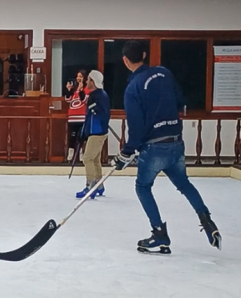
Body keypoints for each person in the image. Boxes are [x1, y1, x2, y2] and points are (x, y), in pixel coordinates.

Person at [113, 41, 221, 254]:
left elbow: (136, 127)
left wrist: (126, 153)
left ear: (125, 61)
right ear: (144, 55)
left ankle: (159, 234)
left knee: (143, 187)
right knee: (184, 184)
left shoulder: (132, 88)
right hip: (175, 142)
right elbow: (180, 100)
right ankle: (206, 220)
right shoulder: (164, 73)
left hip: (154, 147)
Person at [76, 70, 111, 199]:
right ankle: (99, 185)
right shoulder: (95, 95)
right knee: (95, 159)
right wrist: (84, 132)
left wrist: (94, 107)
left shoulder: (99, 96)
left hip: (97, 132)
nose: (86, 81)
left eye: (88, 79)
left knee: (88, 158)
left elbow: (102, 114)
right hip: (94, 131)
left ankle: (90, 185)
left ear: (93, 81)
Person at [65, 70, 88, 161]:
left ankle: (81, 155)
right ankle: (70, 155)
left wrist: (81, 90)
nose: (78, 78)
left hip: (82, 117)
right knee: (72, 137)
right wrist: (69, 90)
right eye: (77, 76)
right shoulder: (74, 89)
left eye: (81, 76)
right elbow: (67, 100)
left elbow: (85, 100)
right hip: (72, 118)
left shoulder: (87, 89)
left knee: (81, 137)